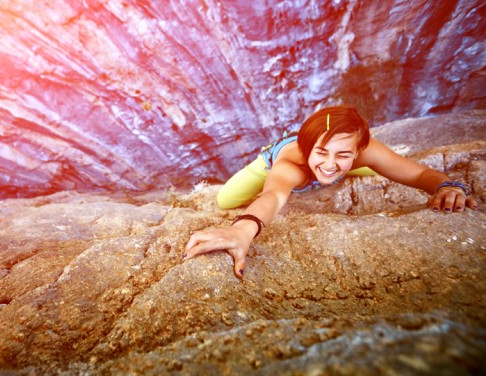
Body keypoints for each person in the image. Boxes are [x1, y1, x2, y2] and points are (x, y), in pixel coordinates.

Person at [183, 105, 478, 279]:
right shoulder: (291, 165)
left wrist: (448, 185)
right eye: (321, 152)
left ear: (359, 149)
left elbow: (419, 173)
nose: (329, 163)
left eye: (343, 154)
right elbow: (272, 196)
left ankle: (358, 162)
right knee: (226, 199)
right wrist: (242, 230)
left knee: (384, 165)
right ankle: (319, 157)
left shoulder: (364, 152)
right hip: (271, 164)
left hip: (350, 163)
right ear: (308, 148)